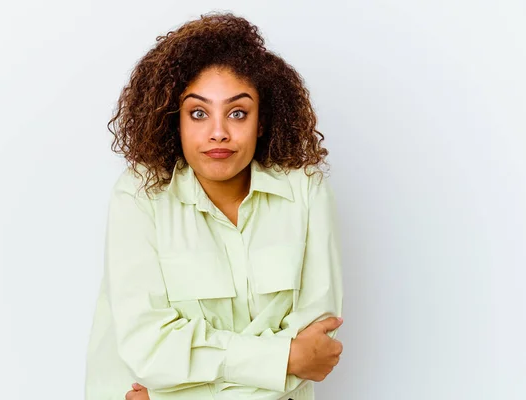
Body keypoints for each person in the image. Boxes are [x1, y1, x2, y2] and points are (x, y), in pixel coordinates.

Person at [84, 12, 344, 400]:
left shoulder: (306, 191)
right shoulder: (139, 196)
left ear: (261, 121)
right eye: (199, 113)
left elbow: (315, 351)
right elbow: (148, 350)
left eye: (237, 112)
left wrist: (176, 391)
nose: (218, 132)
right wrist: (280, 359)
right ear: (176, 120)